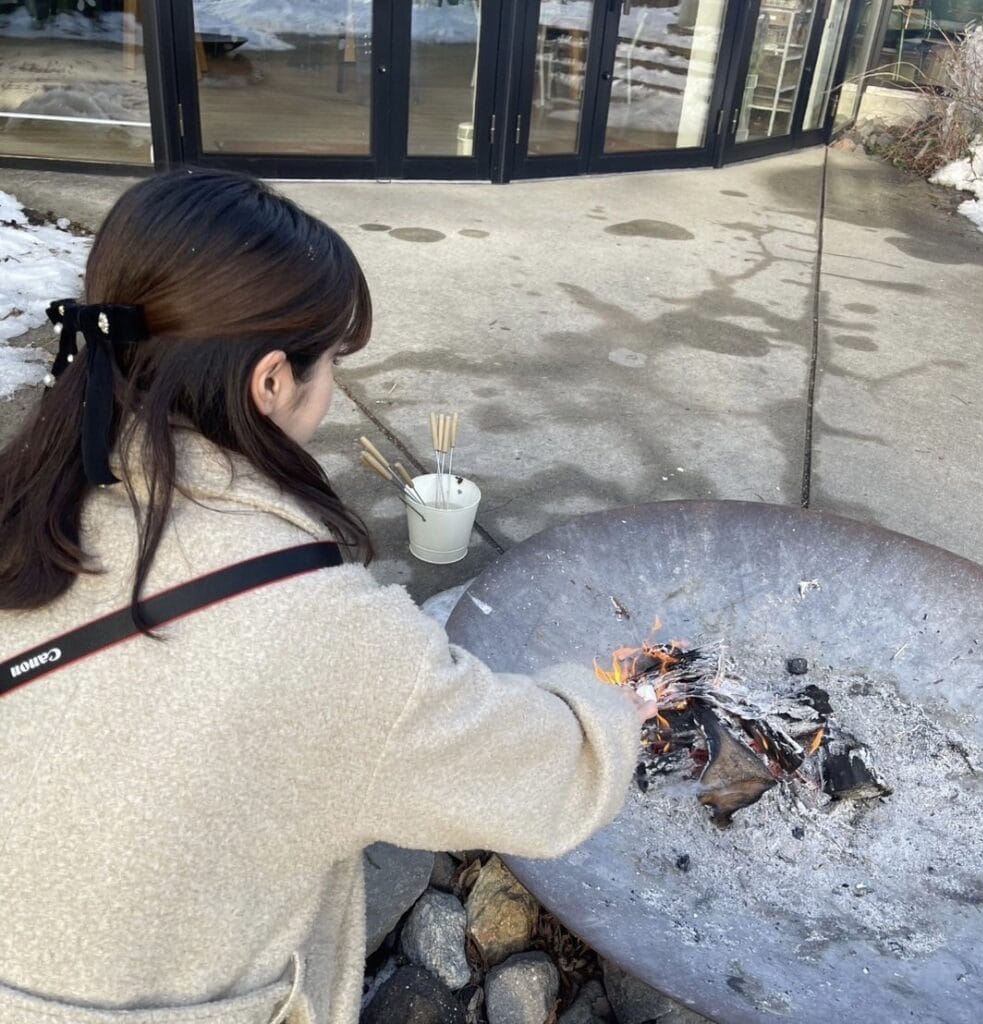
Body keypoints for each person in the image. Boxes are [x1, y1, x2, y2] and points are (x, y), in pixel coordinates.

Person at [0, 169, 654, 1024]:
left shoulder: (30, 499)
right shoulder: (320, 632)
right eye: (334, 362)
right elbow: (556, 776)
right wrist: (619, 704)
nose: (334, 386)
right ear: (271, 381)